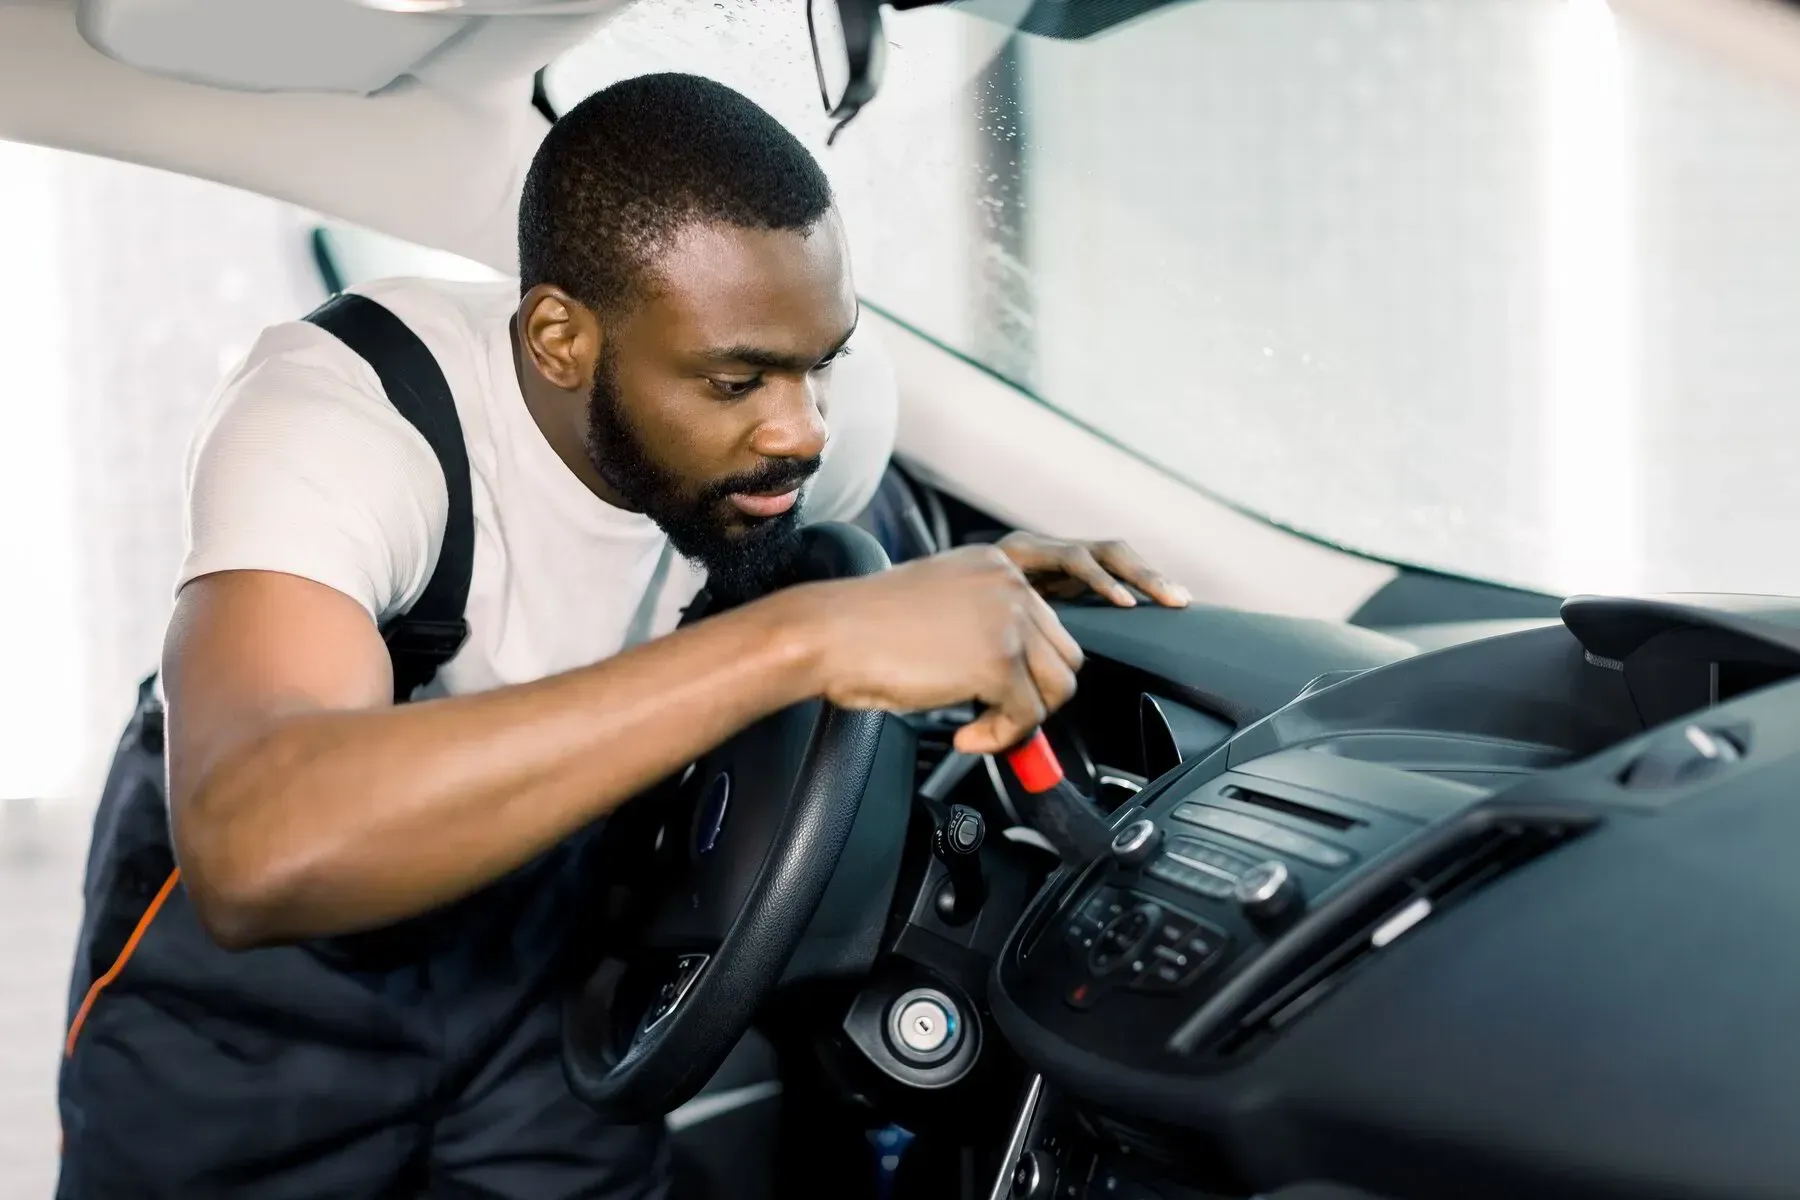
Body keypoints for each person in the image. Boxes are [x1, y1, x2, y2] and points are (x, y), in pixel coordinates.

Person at [56, 72, 1188, 1199]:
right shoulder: (351, 415)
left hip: (547, 974)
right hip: (252, 1019)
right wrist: (805, 640)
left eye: (822, 362)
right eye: (737, 379)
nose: (800, 428)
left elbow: (863, 566)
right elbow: (257, 850)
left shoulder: (803, 424)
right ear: (558, 338)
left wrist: (951, 594)